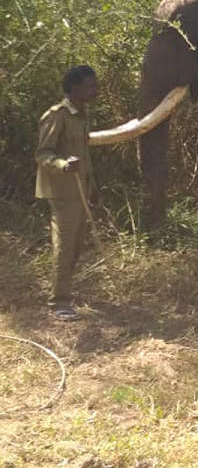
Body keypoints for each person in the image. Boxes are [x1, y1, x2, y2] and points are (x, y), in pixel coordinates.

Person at [35, 65, 99, 321]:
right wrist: (63, 166)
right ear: (74, 88)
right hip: (63, 193)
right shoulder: (57, 115)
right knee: (64, 246)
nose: (95, 90)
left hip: (81, 192)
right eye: (90, 85)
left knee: (76, 246)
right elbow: (43, 154)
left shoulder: (82, 114)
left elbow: (84, 157)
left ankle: (64, 292)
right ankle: (59, 302)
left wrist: (92, 186)